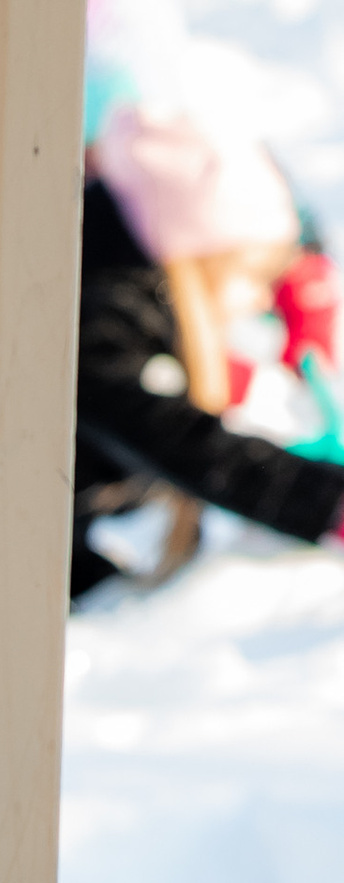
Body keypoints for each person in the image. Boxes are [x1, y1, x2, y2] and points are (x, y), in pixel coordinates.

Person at [74, 103, 344, 600]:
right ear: (201, 252)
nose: (261, 300)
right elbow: (181, 440)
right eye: (255, 277)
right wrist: (328, 503)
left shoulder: (131, 300)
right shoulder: (100, 320)